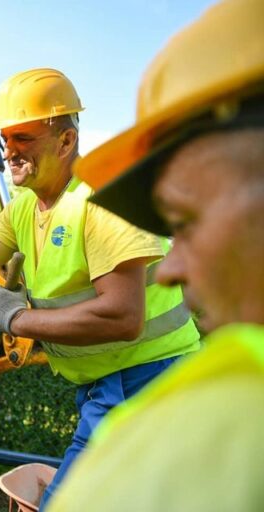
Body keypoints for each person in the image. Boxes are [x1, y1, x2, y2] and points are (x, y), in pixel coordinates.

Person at [0, 68, 200, 507]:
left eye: (23, 138)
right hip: (113, 386)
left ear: (66, 141)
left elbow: (123, 316)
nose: (9, 150)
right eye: (6, 139)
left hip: (151, 383)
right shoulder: (26, 207)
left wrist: (17, 318)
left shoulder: (103, 201)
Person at [46, 0, 264, 509]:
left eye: (185, 223)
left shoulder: (208, 434)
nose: (171, 268)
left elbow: (124, 315)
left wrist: (15, 320)